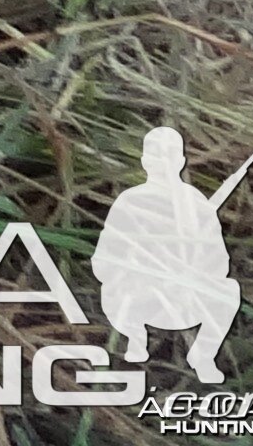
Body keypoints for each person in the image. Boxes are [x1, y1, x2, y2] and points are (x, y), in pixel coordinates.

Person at [93, 126, 244, 382]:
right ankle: (135, 339)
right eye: (154, 154)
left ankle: (203, 356)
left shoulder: (197, 204)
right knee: (114, 292)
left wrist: (193, 270)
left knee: (229, 292)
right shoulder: (129, 201)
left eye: (169, 154)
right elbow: (102, 260)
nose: (161, 161)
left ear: (181, 160)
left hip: (186, 298)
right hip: (139, 295)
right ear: (144, 161)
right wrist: (139, 270)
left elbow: (220, 262)